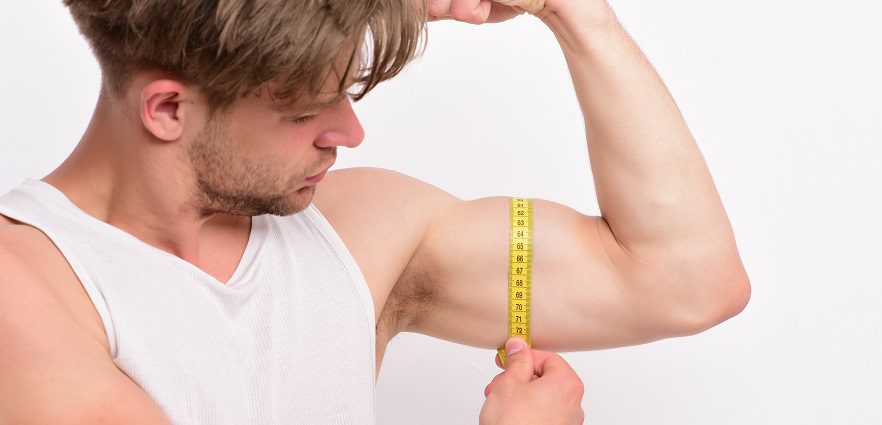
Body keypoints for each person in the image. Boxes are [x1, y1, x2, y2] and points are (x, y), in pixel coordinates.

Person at [0, 0, 750, 423]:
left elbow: (687, 281)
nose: (350, 133)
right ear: (168, 108)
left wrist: (576, 14)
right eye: (303, 111)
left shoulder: (358, 230)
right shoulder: (27, 291)